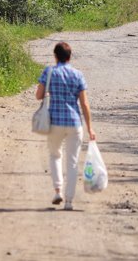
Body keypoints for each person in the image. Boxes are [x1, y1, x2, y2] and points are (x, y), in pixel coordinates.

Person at [36, 41, 96, 211]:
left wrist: (49, 92)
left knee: (55, 155)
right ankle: (69, 201)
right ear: (69, 57)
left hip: (54, 122)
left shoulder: (49, 72)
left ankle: (58, 191)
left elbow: (38, 95)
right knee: (72, 162)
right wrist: (90, 128)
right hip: (74, 123)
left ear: (55, 57)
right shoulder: (77, 75)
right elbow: (84, 104)